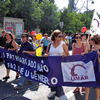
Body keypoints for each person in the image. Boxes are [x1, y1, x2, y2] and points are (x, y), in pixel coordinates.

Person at [44, 29, 69, 100]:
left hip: (59, 66)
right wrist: (46, 55)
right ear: (55, 37)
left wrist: (65, 54)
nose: (61, 37)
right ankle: (52, 91)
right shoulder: (50, 44)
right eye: (59, 36)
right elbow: (46, 53)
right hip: (51, 65)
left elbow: (68, 54)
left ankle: (58, 95)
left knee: (58, 80)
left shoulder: (63, 44)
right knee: (51, 79)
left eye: (61, 36)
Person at [85, 35, 100, 100]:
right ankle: (86, 99)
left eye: (90, 40)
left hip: (98, 70)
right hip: (91, 69)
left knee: (97, 86)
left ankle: (97, 98)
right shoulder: (92, 48)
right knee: (87, 84)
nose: (89, 41)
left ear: (93, 41)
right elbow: (88, 57)